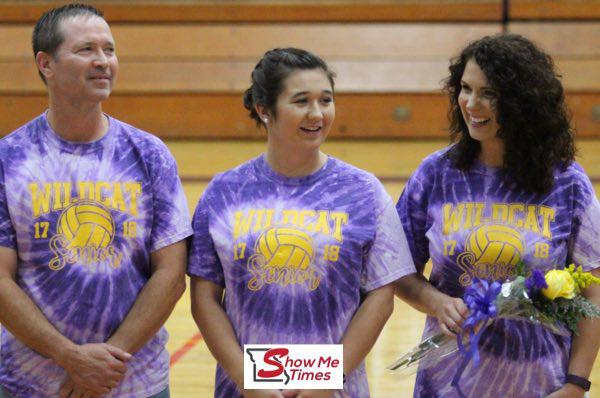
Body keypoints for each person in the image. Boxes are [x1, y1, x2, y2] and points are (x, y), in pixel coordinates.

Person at [187, 47, 416, 398]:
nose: (317, 113)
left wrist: (328, 379)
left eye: (326, 100)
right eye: (301, 101)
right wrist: (248, 380)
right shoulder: (224, 191)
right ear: (264, 110)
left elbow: (381, 295)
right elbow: (204, 297)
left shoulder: (364, 191)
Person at [0, 4, 192, 397]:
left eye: (110, 49)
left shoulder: (149, 154)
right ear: (46, 64)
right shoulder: (9, 159)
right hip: (29, 384)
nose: (103, 61)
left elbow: (171, 275)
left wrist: (103, 365)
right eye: (86, 49)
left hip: (135, 383)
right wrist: (69, 357)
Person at [394, 33, 600, 397]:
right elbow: (395, 270)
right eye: (465, 88)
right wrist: (437, 302)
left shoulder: (567, 183)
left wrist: (577, 383)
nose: (472, 103)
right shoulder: (435, 174)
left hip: (538, 381)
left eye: (489, 93)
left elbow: (593, 291)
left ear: (523, 102)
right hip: (447, 382)